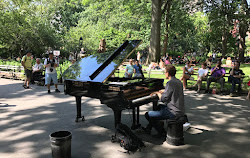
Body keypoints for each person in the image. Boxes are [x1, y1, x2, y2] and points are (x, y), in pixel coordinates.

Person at [143, 65, 185, 137]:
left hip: (172, 112)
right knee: (159, 107)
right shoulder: (178, 82)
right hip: (179, 110)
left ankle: (161, 131)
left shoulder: (170, 83)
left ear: (168, 73)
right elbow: (172, 91)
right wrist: (165, 90)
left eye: (165, 72)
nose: (165, 74)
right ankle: (149, 128)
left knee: (147, 114)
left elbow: (163, 99)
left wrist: (157, 93)